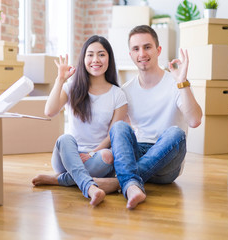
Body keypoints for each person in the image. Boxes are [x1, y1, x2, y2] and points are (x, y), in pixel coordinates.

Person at [94, 25, 202, 209]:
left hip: (168, 161)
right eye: (136, 49)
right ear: (130, 55)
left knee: (176, 133)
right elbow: (117, 133)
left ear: (158, 50)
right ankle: (131, 184)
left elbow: (194, 120)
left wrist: (183, 81)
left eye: (147, 47)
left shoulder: (176, 83)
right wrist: (92, 154)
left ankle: (121, 182)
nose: (142, 53)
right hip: (138, 153)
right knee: (119, 127)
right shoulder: (126, 90)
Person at [32, 35, 128, 206]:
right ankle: (90, 187)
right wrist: (60, 79)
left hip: (96, 158)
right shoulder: (71, 88)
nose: (95, 60)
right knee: (64, 139)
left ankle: (59, 180)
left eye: (101, 54)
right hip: (68, 155)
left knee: (108, 155)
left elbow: (112, 134)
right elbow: (49, 111)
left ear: (109, 59)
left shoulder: (118, 95)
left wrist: (91, 153)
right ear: (83, 59)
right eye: (90, 55)